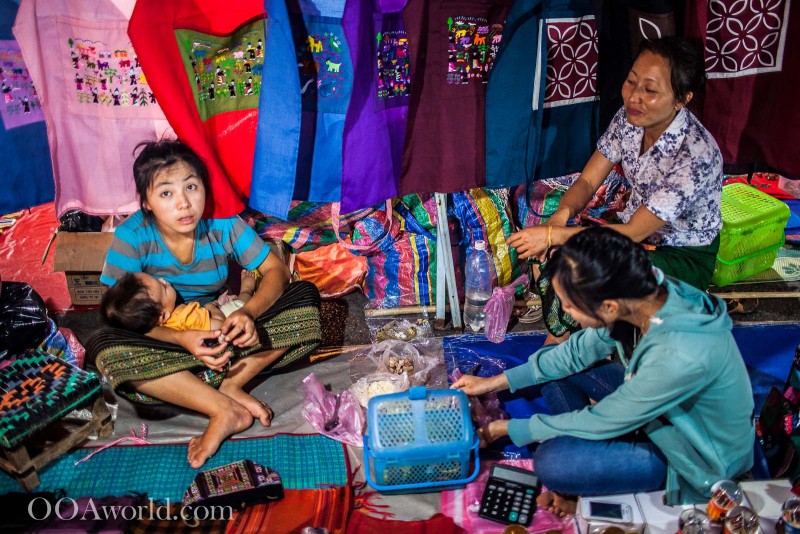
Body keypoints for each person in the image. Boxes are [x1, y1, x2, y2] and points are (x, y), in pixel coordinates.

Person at [452, 228, 754, 511]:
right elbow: (574, 353)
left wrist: (504, 429)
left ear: (608, 306)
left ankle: (585, 468)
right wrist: (489, 383)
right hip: (656, 410)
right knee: (554, 361)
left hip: (690, 455)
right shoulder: (643, 291)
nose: (566, 314)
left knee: (551, 463)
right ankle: (585, 457)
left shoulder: (679, 352)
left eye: (570, 306)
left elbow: (603, 421)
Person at [96, 139, 321, 468]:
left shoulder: (222, 222)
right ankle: (223, 408)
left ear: (204, 186)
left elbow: (274, 269)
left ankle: (229, 384)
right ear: (146, 202)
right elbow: (115, 314)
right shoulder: (132, 237)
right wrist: (181, 338)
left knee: (305, 299)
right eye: (166, 193)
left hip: (225, 335)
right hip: (168, 343)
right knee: (105, 345)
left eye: (191, 186)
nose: (184, 204)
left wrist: (248, 313)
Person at [507, 37, 723, 342]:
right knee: (555, 252)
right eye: (631, 81)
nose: (634, 97)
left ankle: (575, 346)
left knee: (590, 267)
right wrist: (559, 219)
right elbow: (587, 181)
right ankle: (569, 342)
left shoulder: (695, 155)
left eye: (650, 90)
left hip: (681, 253)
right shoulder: (629, 119)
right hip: (634, 236)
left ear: (682, 99)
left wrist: (555, 234)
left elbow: (633, 233)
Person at [100, 269, 258, 335]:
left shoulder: (155, 323)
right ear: (163, 316)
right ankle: (248, 289)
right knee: (240, 305)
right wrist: (212, 306)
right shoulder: (184, 317)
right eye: (162, 286)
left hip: (206, 317)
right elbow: (219, 324)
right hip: (222, 320)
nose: (164, 280)